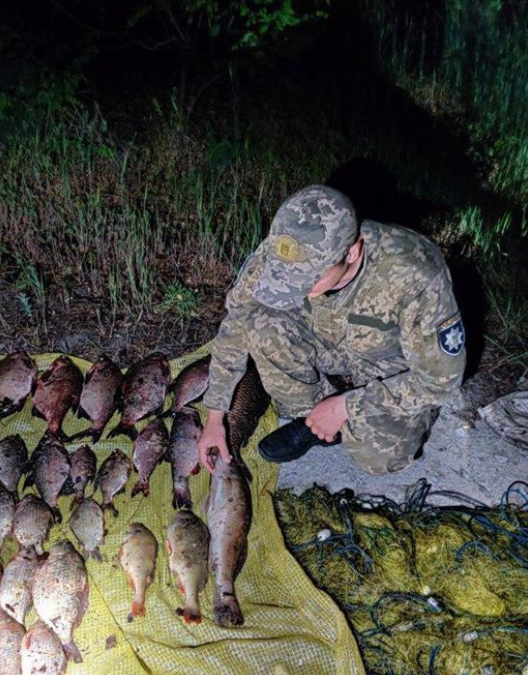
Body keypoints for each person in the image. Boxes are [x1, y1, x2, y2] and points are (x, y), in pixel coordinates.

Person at [197, 184, 466, 474]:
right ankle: (313, 420)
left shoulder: (414, 274)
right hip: (326, 336)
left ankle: (377, 417)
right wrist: (215, 416)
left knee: (379, 459)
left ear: (351, 253)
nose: (292, 287)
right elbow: (237, 324)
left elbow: (441, 381)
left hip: (386, 361)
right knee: (261, 326)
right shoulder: (287, 251)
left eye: (307, 280)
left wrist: (346, 407)